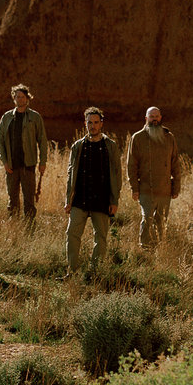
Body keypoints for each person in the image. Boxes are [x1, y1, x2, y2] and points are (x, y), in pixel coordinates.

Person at [64, 107, 122, 276]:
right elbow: (70, 174)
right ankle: (72, 271)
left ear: (101, 124)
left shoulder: (110, 146)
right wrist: (68, 200)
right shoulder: (78, 146)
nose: (93, 126)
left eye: (96, 122)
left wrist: (114, 200)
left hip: (101, 199)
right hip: (80, 199)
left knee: (101, 238)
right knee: (72, 234)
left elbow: (117, 175)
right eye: (90, 122)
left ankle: (94, 273)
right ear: (85, 123)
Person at [127, 106, 181, 249]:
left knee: (162, 222)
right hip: (146, 189)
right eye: (151, 117)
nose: (154, 119)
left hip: (165, 190)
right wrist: (134, 188)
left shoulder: (169, 137)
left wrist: (176, 187)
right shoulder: (138, 138)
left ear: (160, 118)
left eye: (157, 116)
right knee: (147, 220)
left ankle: (160, 251)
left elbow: (175, 164)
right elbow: (131, 166)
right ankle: (145, 251)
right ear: (146, 119)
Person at [0, 84, 48, 222]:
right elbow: (0, 140)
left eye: (22, 97)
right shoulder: (7, 117)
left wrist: (43, 162)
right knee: (12, 198)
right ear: (14, 98)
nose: (20, 99)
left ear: (27, 98)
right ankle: (14, 225)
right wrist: (5, 162)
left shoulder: (35, 117)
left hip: (28, 165)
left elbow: (42, 140)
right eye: (17, 96)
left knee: (29, 199)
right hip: (11, 166)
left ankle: (29, 225)